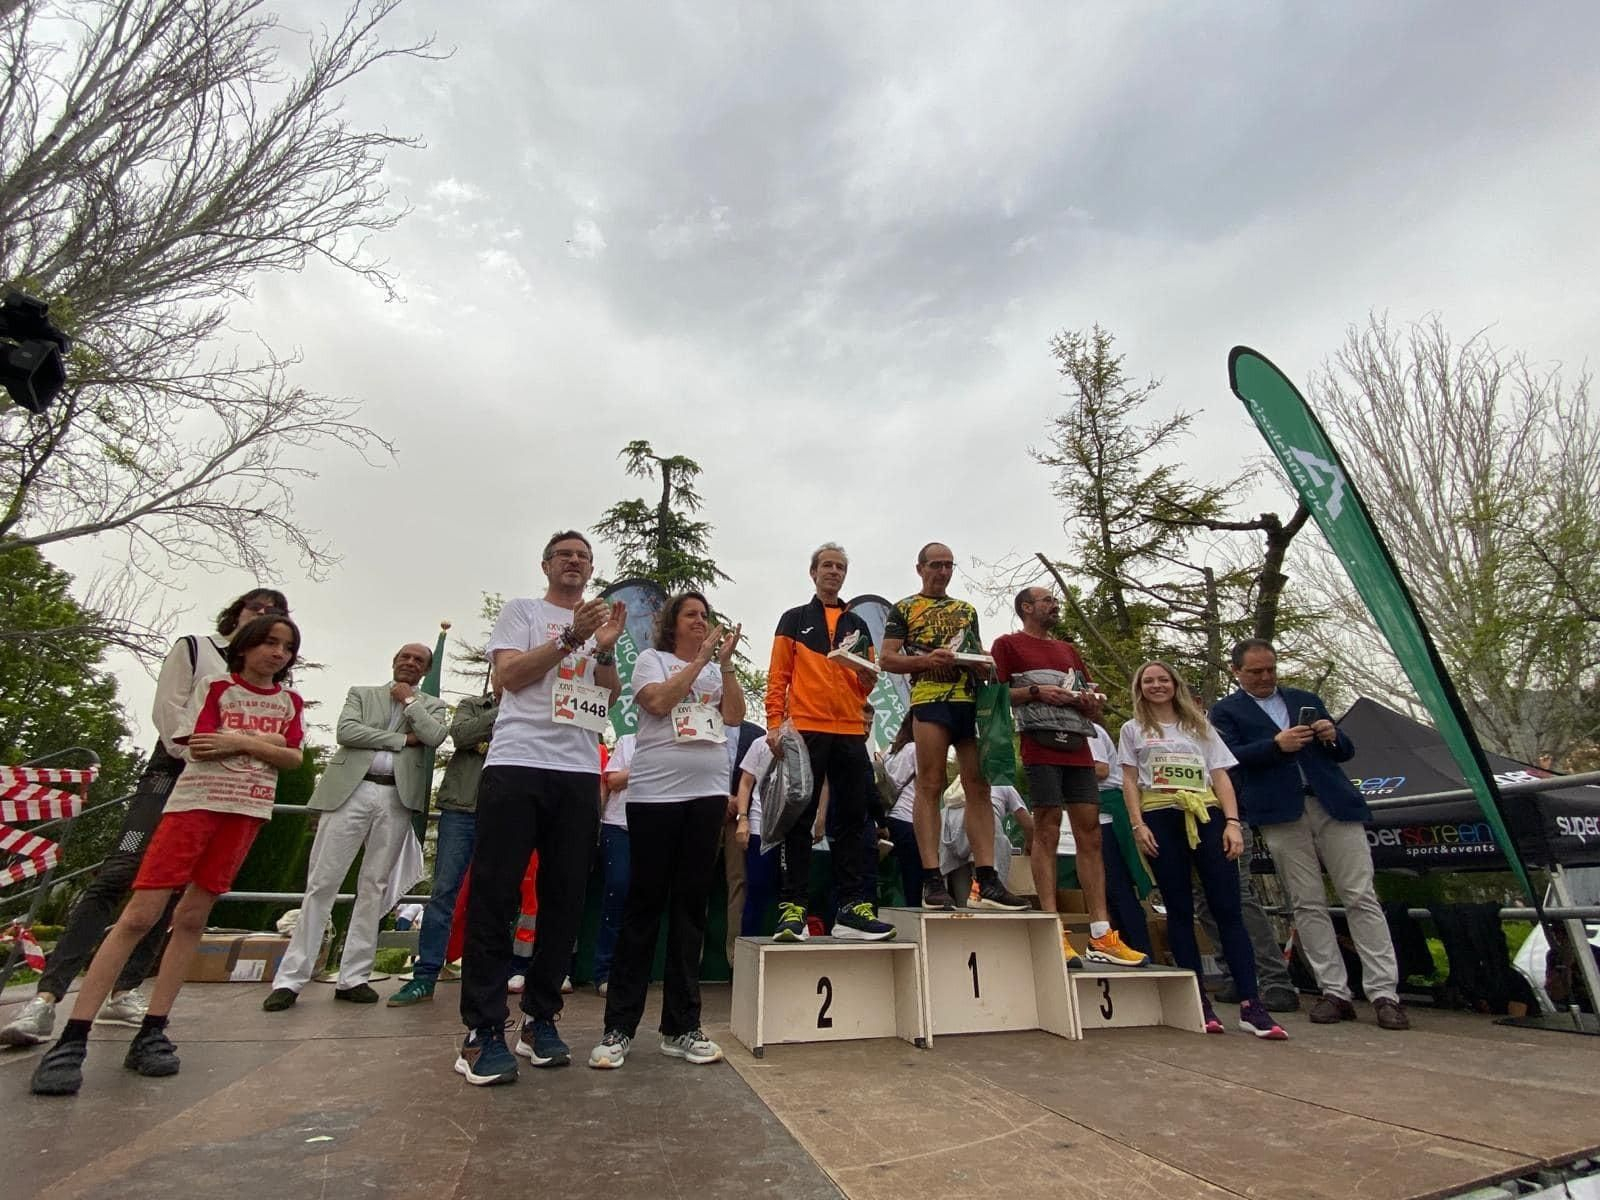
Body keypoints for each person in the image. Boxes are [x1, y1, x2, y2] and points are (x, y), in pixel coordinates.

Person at [30, 615, 305, 1095]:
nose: (277, 653)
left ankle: (154, 1026)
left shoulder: (290, 702)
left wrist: (240, 741)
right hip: (194, 806)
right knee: (139, 915)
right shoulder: (217, 687)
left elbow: (294, 755)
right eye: (267, 642)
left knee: (194, 917)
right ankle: (74, 1035)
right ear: (242, 647)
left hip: (245, 811)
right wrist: (268, 743)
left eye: (286, 646)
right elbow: (196, 743)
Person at [454, 530, 625, 1086]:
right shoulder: (523, 612)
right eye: (565, 555)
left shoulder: (599, 627)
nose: (574, 562)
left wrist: (602, 647)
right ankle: (482, 1030)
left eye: (584, 557)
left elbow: (609, 695)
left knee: (565, 897)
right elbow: (509, 677)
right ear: (546, 564)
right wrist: (570, 637)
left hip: (577, 770)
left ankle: (540, 1019)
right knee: (496, 893)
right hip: (517, 761)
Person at [1210, 639, 1410, 1031]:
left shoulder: (1304, 698)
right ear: (1237, 672)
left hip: (1332, 802)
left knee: (1360, 895)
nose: (1266, 677)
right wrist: (1275, 745)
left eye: (1271, 669)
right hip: (1281, 811)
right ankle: (1333, 991)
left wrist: (1330, 734)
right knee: (1306, 902)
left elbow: (1345, 751)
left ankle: (1385, 992)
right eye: (1255, 672)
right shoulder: (1226, 711)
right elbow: (1228, 759)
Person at [588, 593, 743, 1069]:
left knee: (690, 910)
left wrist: (727, 667)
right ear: (672, 623)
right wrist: (698, 664)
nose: (701, 621)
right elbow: (656, 702)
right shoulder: (652, 661)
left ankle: (681, 1026)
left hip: (707, 796)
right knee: (644, 907)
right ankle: (619, 1028)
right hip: (656, 797)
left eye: (705, 616)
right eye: (692, 615)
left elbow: (734, 715)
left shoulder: (716, 670)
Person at [263, 642, 450, 1011]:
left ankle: (354, 976)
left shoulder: (432, 706)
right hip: (351, 793)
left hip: (395, 798)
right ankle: (291, 979)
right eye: (405, 657)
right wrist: (401, 739)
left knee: (375, 886)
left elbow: (433, 737)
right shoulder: (362, 694)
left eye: (418, 661)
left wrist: (410, 704)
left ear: (425, 670)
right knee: (321, 883)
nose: (410, 663)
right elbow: (348, 732)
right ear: (393, 661)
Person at [1118, 661, 1288, 1040]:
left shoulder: (1200, 726)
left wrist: (1232, 822)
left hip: (1207, 814)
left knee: (1228, 907)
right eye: (1148, 681)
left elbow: (1221, 774)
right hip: (1160, 815)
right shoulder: (1132, 729)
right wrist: (1138, 824)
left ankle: (1251, 1003)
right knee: (1179, 909)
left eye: (1163, 679)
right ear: (1139, 688)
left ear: (1175, 684)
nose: (1157, 686)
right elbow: (1129, 779)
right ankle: (1198, 1000)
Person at [992, 587, 1147, 968]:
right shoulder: (1008, 645)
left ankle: (1101, 933)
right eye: (1046, 601)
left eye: (1054, 602)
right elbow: (993, 694)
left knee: (1090, 833)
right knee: (1047, 827)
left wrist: (1090, 702)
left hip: (1079, 743)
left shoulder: (1067, 650)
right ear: (1026, 608)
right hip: (1040, 743)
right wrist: (1034, 690)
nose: (1054, 606)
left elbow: (1088, 696)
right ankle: (1052, 926)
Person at [881, 541, 1026, 911]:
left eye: (948, 566)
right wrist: (927, 661)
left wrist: (981, 664)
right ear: (920, 568)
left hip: (970, 701)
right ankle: (932, 877)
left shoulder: (966, 610)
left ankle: (988, 878)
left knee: (979, 786)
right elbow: (887, 659)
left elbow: (975, 651)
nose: (942, 572)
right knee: (930, 782)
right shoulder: (904, 608)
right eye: (936, 565)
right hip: (930, 699)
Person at [762, 543, 894, 940]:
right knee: (798, 820)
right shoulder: (794, 619)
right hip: (806, 728)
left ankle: (851, 909)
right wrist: (773, 724)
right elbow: (778, 675)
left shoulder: (858, 624)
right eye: (827, 566)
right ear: (813, 572)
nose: (833, 572)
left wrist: (868, 679)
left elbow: (866, 680)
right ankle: (794, 910)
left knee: (855, 821)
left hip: (851, 731)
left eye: (839, 567)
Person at [388, 680, 500, 1007]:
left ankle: (486, 979)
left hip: (506, 811)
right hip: (461, 810)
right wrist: (503, 710)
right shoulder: (471, 705)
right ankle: (425, 976)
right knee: (444, 893)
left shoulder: (531, 709)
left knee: (496, 896)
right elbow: (461, 735)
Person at [1088, 723, 1154, 956]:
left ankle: (1140, 948)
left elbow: (1101, 769)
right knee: (1103, 889)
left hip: (1107, 811)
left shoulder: (1087, 729)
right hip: (1088, 809)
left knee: (1117, 884)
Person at [940, 777, 1034, 907]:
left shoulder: (961, 780)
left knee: (961, 892)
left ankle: (963, 912)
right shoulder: (1005, 785)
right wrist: (1029, 844)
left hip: (948, 823)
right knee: (992, 891)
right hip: (981, 818)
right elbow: (1028, 824)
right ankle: (991, 906)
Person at [722, 718, 766, 961]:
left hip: (740, 818)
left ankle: (735, 959)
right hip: (704, 810)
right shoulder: (696, 723)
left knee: (739, 882)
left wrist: (740, 811)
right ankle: (687, 959)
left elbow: (751, 781)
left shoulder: (756, 734)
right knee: (694, 882)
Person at [595, 734, 634, 996]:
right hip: (618, 826)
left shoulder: (678, 742)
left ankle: (632, 972)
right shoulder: (628, 742)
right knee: (617, 890)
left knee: (643, 901)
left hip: (655, 828)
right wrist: (646, 765)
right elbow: (613, 780)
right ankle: (604, 971)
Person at [880, 716, 921, 907]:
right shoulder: (916, 749)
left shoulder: (889, 750)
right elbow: (927, 784)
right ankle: (912, 911)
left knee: (889, 875)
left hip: (888, 818)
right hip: (908, 819)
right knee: (912, 876)